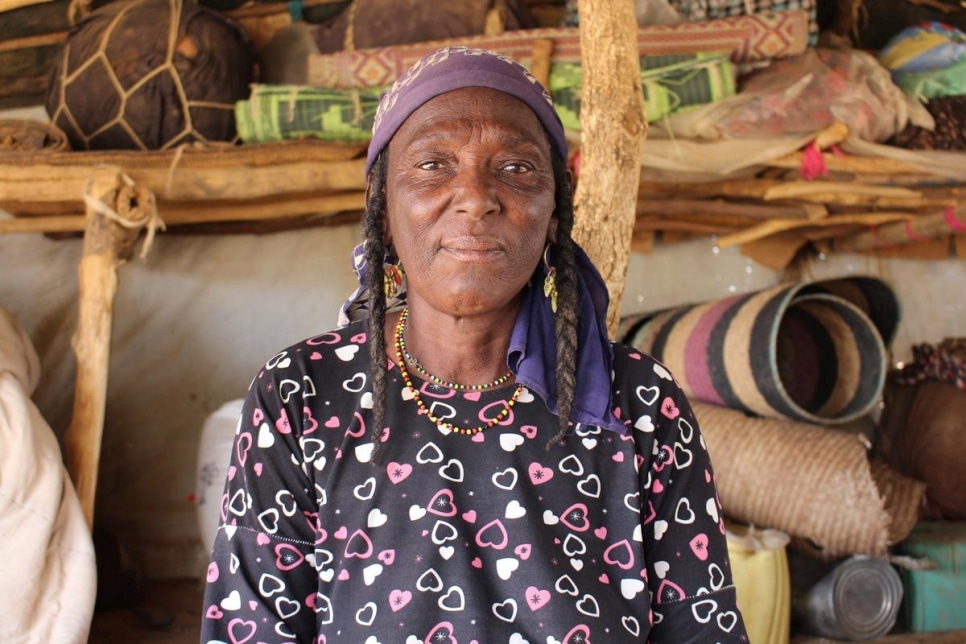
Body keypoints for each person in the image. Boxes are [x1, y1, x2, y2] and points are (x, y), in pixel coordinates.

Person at [201, 46, 748, 643]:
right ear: (384, 209)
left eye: (516, 169)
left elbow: (703, 630)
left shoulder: (639, 403)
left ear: (555, 211)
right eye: (434, 164)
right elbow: (250, 631)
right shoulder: (302, 395)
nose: (475, 196)